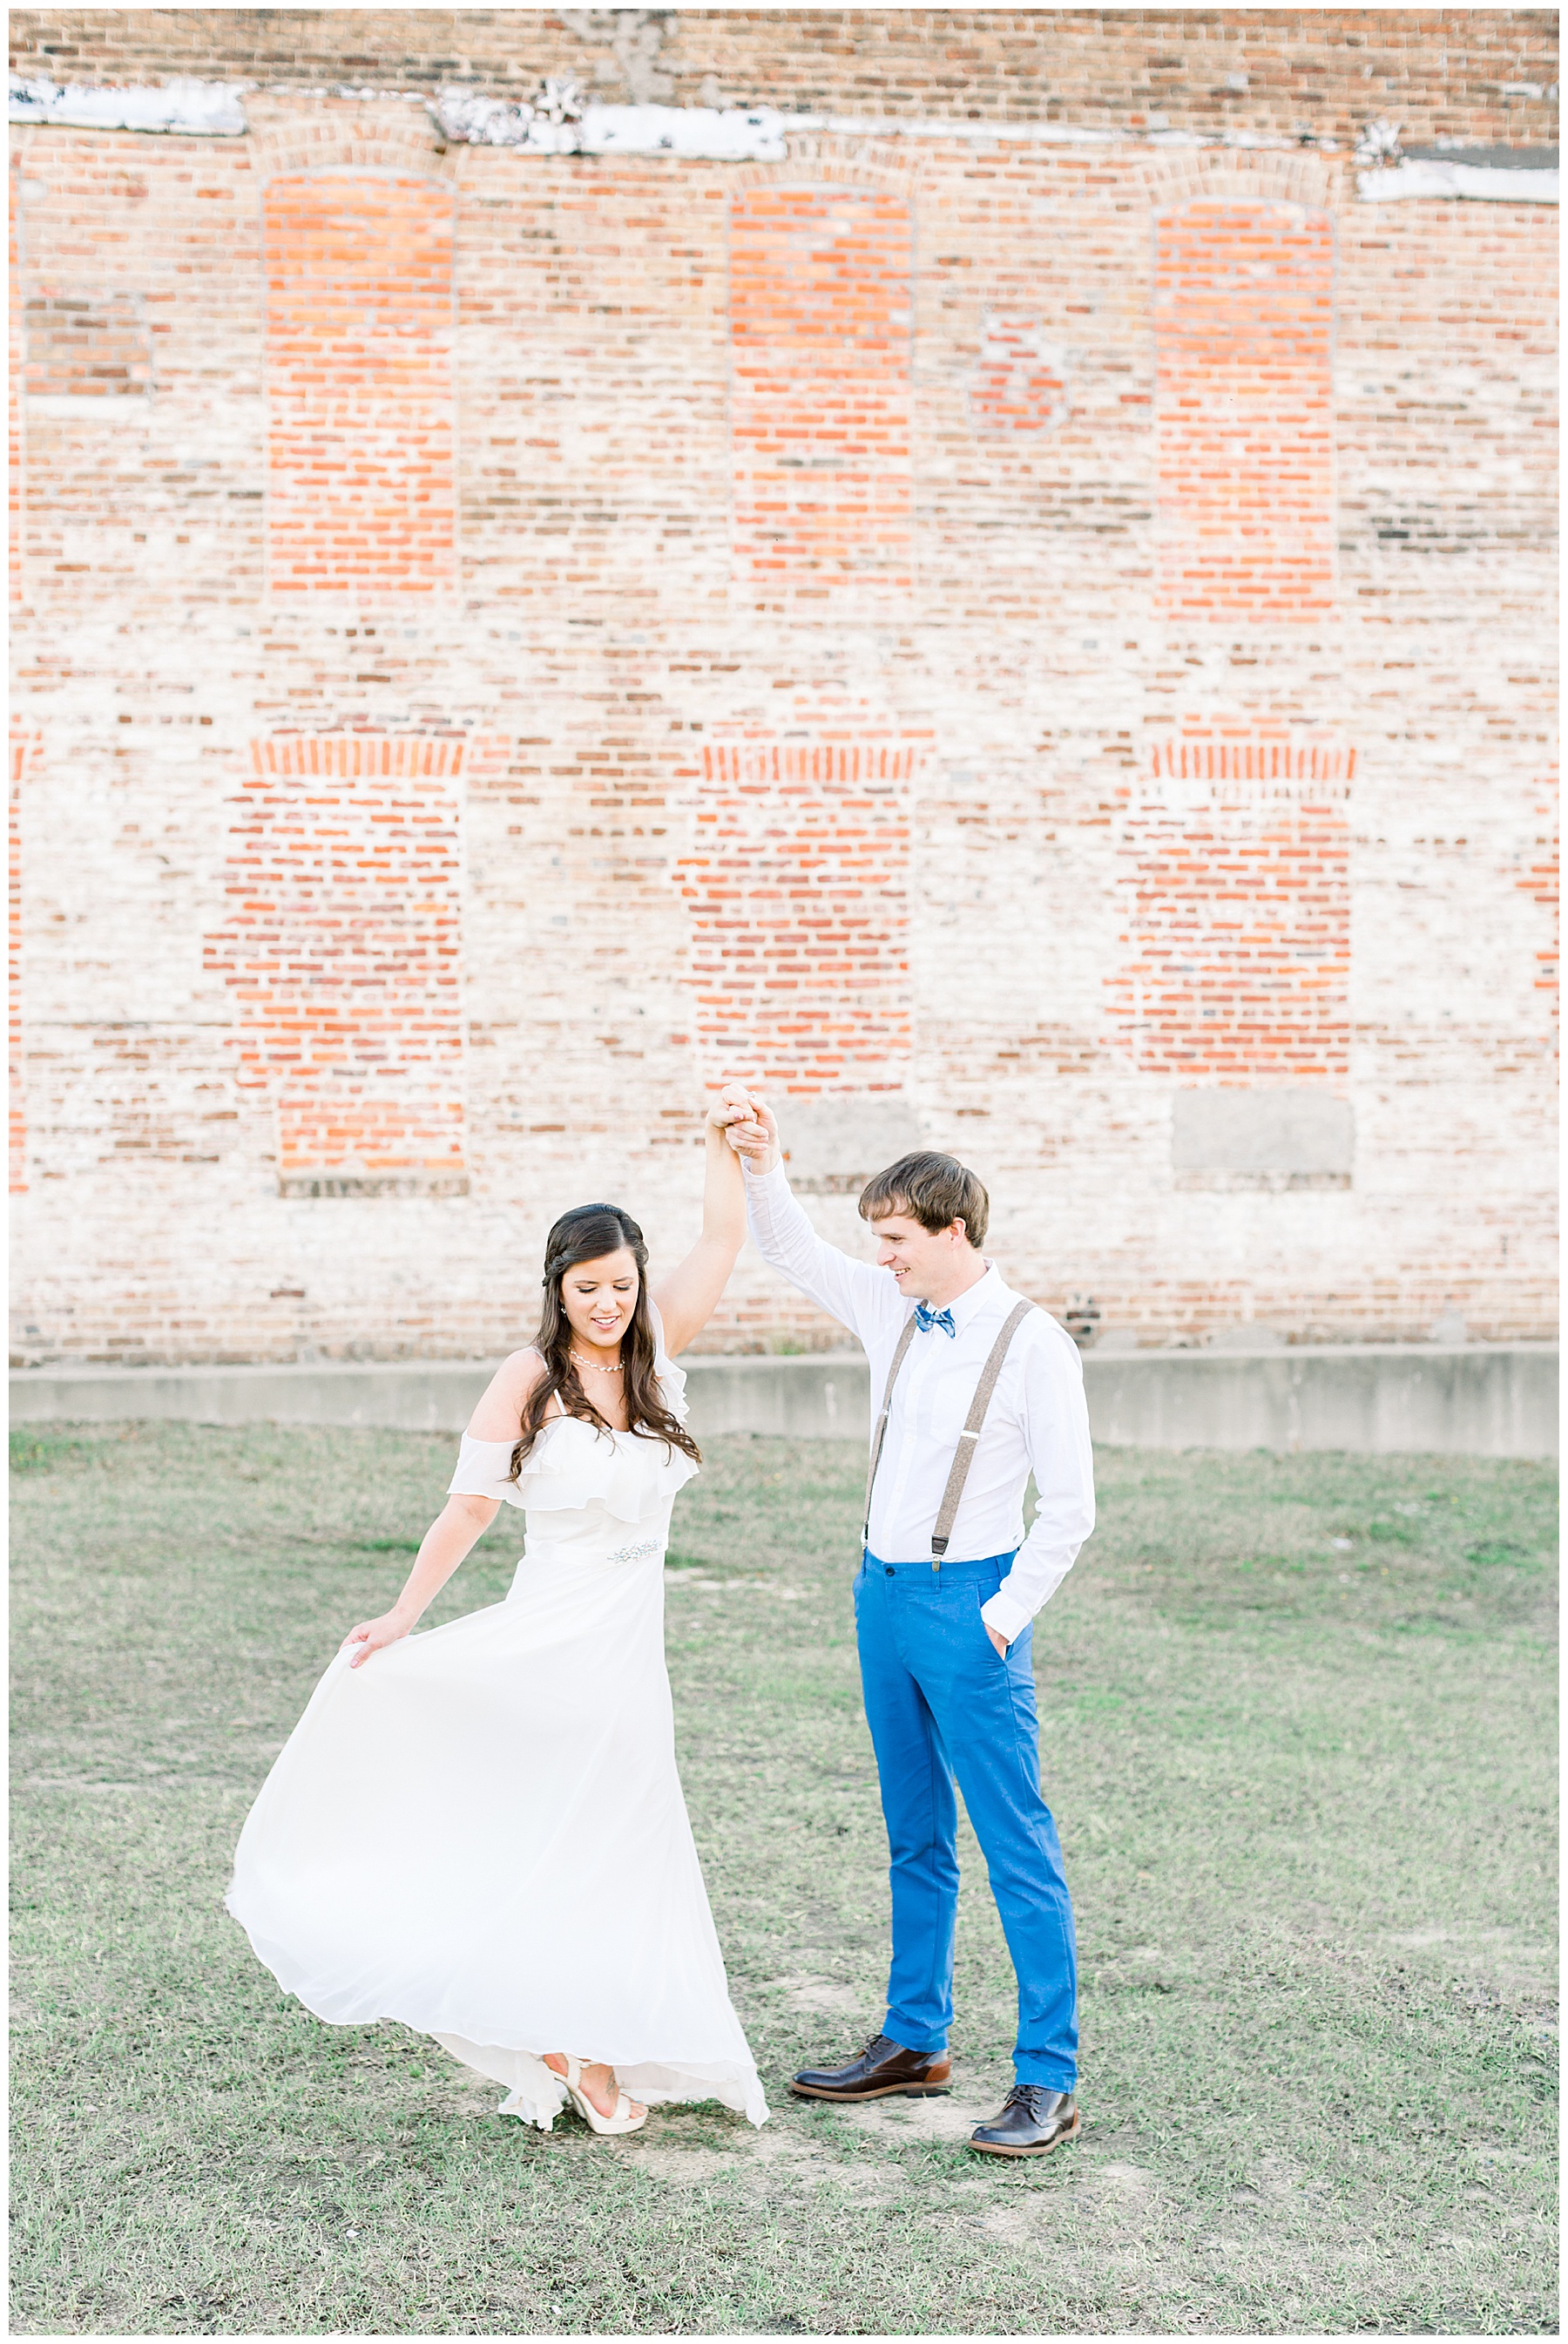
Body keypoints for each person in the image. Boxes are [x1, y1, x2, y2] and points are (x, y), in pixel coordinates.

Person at [227, 1097, 768, 2139]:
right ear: (555, 1287)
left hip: (629, 1655)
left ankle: (580, 2033)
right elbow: (469, 1506)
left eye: (622, 1285)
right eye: (587, 1288)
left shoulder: (654, 1353)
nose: (608, 1304)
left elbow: (723, 1236)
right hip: (549, 1641)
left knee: (621, 1843)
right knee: (558, 1836)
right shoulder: (529, 1377)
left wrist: (718, 1145)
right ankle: (578, 2048)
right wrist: (401, 1613)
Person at [722, 1092, 1094, 2158]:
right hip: (880, 1596)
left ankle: (1046, 2075)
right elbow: (790, 1246)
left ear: (951, 1232)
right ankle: (914, 2040)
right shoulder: (893, 1306)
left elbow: (1072, 1510)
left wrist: (999, 1619)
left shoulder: (1034, 1346)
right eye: (877, 1240)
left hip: (971, 1604)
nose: (879, 1257)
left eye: (894, 1239)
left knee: (1015, 1841)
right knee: (913, 1831)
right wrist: (762, 1160)